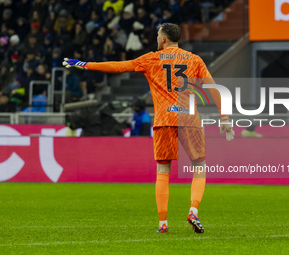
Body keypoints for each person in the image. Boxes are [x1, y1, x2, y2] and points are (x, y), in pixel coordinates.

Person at [63, 23, 234, 234]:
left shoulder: (152, 59)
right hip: (189, 119)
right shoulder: (194, 59)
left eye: (157, 35)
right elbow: (214, 88)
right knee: (199, 166)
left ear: (163, 39)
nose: (156, 38)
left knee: (163, 170)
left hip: (164, 119)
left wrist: (85, 64)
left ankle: (163, 224)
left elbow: (118, 66)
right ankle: (193, 209)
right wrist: (224, 118)